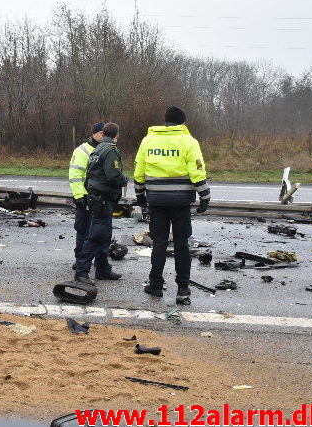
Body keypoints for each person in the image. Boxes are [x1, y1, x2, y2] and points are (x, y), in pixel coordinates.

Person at [133, 106, 210, 305]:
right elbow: (197, 170)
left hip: (156, 200)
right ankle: (183, 290)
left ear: (165, 121)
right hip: (181, 201)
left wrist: (140, 195)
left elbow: (139, 170)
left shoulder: (148, 140)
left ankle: (155, 285)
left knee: (159, 242)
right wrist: (205, 196)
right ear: (183, 123)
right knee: (181, 243)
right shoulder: (189, 141)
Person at [74, 123, 128, 282]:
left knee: (105, 235)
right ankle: (82, 271)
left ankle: (103, 269)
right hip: (103, 198)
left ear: (103, 133)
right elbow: (113, 176)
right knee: (97, 235)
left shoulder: (96, 149)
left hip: (96, 197)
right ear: (117, 135)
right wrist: (123, 179)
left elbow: (90, 174)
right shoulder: (110, 150)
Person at [69, 122, 106, 275]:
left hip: (98, 198)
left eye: (106, 134)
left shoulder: (104, 150)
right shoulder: (82, 150)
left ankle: (99, 264)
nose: (103, 137)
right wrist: (79, 196)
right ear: (94, 134)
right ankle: (80, 261)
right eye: (101, 134)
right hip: (85, 197)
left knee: (99, 232)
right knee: (83, 231)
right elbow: (75, 175)